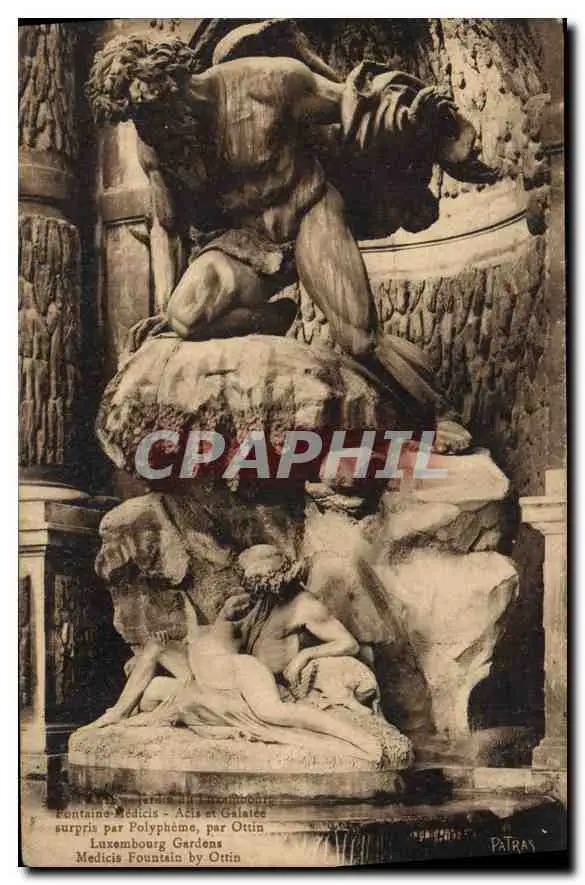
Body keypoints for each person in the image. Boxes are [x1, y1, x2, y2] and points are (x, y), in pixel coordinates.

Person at [87, 27, 496, 453]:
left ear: (175, 82)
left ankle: (436, 413)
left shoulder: (267, 82)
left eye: (152, 111)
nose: (148, 128)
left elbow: (355, 105)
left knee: (359, 340)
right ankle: (270, 318)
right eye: (138, 118)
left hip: (306, 211)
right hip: (243, 240)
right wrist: (164, 310)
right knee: (184, 316)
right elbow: (166, 226)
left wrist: (420, 124)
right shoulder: (156, 142)